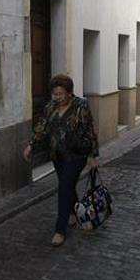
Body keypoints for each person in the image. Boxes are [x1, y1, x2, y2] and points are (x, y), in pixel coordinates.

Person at [23, 74, 99, 247]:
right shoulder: (50, 107)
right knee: (68, 185)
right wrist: (31, 146)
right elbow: (41, 127)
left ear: (69, 93)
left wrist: (92, 155)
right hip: (58, 155)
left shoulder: (81, 105)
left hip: (77, 155)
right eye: (55, 94)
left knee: (64, 186)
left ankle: (60, 229)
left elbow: (90, 130)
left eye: (61, 94)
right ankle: (73, 211)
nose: (58, 97)